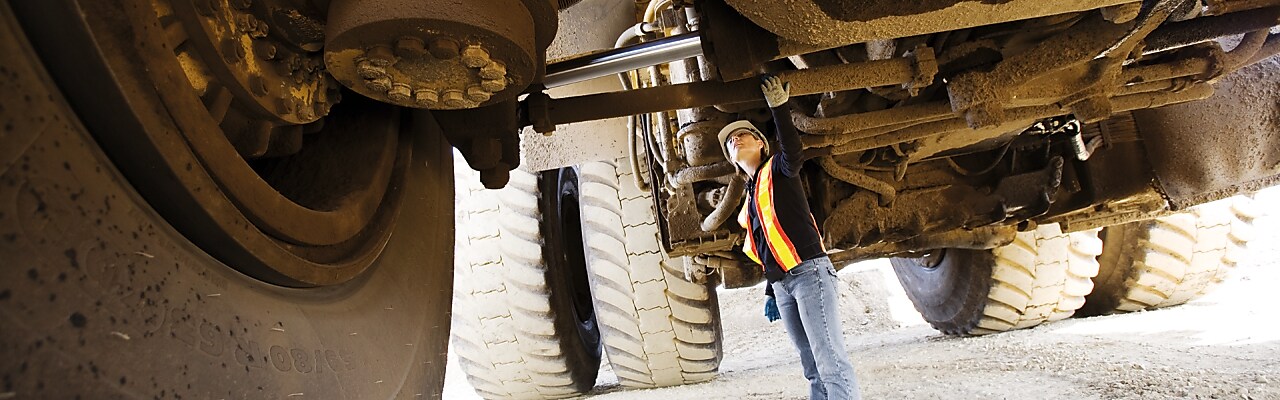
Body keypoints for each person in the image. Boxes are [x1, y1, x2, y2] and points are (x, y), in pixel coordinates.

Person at [718, 76, 861, 400]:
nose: (736, 140)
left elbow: (794, 150)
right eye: (730, 141)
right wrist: (771, 291)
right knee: (811, 365)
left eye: (743, 135)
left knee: (830, 361)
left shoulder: (779, 170)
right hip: (784, 285)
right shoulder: (752, 197)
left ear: (761, 145)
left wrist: (779, 108)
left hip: (810, 274)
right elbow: (768, 246)